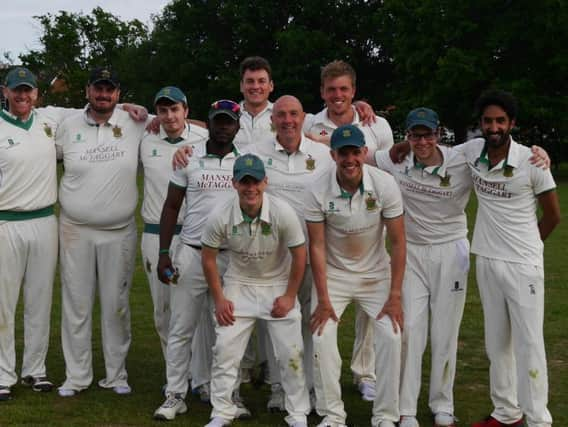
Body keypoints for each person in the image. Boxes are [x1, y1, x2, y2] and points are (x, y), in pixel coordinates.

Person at [462, 91, 560, 427]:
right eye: (488, 121)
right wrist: (402, 146)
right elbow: (431, 151)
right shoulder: (472, 153)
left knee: (529, 343)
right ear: (480, 124)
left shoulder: (532, 161)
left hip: (522, 266)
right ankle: (506, 412)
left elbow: (553, 216)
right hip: (487, 260)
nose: (493, 127)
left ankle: (538, 420)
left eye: (500, 121)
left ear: (511, 124)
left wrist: (529, 246)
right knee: (496, 343)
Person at [374, 108, 472, 427]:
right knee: (411, 330)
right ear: (408, 136)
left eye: (427, 134)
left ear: (438, 134)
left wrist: (538, 154)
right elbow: (352, 154)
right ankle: (407, 409)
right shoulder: (396, 159)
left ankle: (443, 403)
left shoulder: (461, 160)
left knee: (445, 330)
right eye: (415, 135)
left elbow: (499, 156)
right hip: (411, 252)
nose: (422, 141)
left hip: (451, 249)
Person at [304, 59, 395, 400]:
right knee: (323, 305)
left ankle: (364, 373)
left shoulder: (377, 126)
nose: (337, 96)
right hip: (328, 223)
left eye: (344, 89)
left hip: (371, 225)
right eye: (331, 90)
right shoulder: (311, 123)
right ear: (322, 92)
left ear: (354, 91)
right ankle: (319, 379)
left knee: (370, 310)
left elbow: (388, 169)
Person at [56, 67, 149, 397]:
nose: (103, 95)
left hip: (119, 231)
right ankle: (77, 376)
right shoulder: (66, 125)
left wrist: (138, 109)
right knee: (77, 305)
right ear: (87, 91)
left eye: (110, 90)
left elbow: (176, 126)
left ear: (118, 94)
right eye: (98, 88)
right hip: (75, 230)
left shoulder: (135, 122)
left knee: (116, 305)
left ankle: (116, 374)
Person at [305, 124, 406, 427]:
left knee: (392, 335)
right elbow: (318, 247)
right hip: (334, 275)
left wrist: (395, 296)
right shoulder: (317, 187)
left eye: (355, 152)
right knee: (321, 337)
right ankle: (332, 415)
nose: (349, 159)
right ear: (333, 154)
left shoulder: (385, 184)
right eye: (343, 153)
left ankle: (386, 416)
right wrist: (323, 299)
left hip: (376, 273)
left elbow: (399, 242)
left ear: (364, 152)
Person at [201, 153, 310, 427]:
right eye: (244, 182)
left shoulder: (282, 212)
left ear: (265, 182)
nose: (250, 188)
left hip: (276, 285)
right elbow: (208, 258)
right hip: (239, 283)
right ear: (234, 183)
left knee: (290, 353)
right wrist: (220, 299)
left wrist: (289, 295)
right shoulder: (220, 214)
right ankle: (222, 411)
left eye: (256, 182)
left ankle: (297, 413)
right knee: (225, 349)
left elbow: (300, 255)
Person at [153, 99, 245, 421]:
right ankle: (175, 394)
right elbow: (170, 207)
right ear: (210, 121)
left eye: (229, 122)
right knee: (181, 328)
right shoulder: (188, 158)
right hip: (191, 253)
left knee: (228, 331)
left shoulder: (245, 162)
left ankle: (228, 395)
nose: (223, 127)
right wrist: (165, 253)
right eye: (218, 121)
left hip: (228, 258)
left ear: (237, 125)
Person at [254, 95, 333, 411]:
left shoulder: (323, 154)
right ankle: (279, 388)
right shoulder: (256, 153)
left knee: (311, 322)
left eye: (294, 114)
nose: (287, 120)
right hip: (272, 255)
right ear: (273, 119)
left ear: (304, 118)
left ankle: (311, 389)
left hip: (314, 252)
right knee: (277, 322)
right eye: (281, 115)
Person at [0, 67, 61, 400]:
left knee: (39, 299)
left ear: (37, 93)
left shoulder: (50, 121)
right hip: (5, 222)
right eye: (16, 91)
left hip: (44, 220)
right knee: (3, 302)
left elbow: (97, 110)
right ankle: (2, 373)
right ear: (5, 92)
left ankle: (35, 370)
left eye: (28, 91)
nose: (22, 96)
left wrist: (132, 109)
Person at [139, 87, 208, 366]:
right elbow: (114, 112)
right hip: (156, 234)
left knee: (199, 311)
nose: (169, 116)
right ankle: (175, 372)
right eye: (163, 111)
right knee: (163, 310)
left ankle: (200, 373)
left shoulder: (204, 138)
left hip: (194, 236)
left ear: (186, 111)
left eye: (175, 109)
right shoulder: (146, 138)